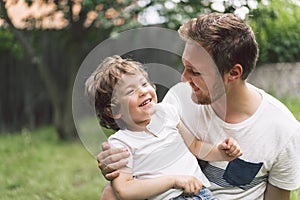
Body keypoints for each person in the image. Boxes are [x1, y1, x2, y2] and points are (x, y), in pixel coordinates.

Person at [96, 13, 300, 200]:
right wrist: (116, 165)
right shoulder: (177, 99)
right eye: (185, 66)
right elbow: (149, 157)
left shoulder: (283, 131)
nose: (184, 79)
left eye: (195, 71)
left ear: (233, 73)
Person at [85, 55, 242, 200]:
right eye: (130, 91)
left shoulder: (167, 113)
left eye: (144, 83)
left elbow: (195, 146)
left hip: (201, 194)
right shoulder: (121, 143)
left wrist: (220, 152)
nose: (142, 91)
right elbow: (124, 190)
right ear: (114, 111)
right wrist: (173, 181)